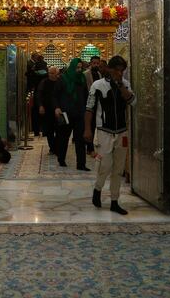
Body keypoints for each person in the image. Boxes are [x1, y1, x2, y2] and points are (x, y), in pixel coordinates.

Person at [84, 55, 136, 215]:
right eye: (117, 70)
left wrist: (120, 85)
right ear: (110, 69)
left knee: (119, 168)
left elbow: (132, 101)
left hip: (122, 132)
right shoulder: (97, 85)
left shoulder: (125, 85)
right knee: (105, 165)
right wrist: (87, 129)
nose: (119, 73)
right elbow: (90, 108)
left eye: (122, 70)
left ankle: (114, 200)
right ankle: (97, 189)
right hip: (104, 132)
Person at [54, 58, 89, 170]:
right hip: (66, 113)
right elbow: (55, 95)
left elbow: (86, 95)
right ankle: (61, 159)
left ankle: (81, 164)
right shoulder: (63, 78)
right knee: (64, 138)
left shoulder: (82, 79)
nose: (79, 70)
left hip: (79, 113)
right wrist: (57, 107)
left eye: (80, 67)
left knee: (80, 139)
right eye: (77, 67)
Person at [35, 66, 61, 155]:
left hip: (59, 110)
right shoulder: (44, 82)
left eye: (53, 73)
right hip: (47, 110)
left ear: (58, 74)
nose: (51, 75)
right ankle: (52, 148)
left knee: (59, 129)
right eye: (50, 73)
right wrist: (40, 106)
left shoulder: (60, 82)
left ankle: (57, 147)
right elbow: (39, 94)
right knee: (49, 130)